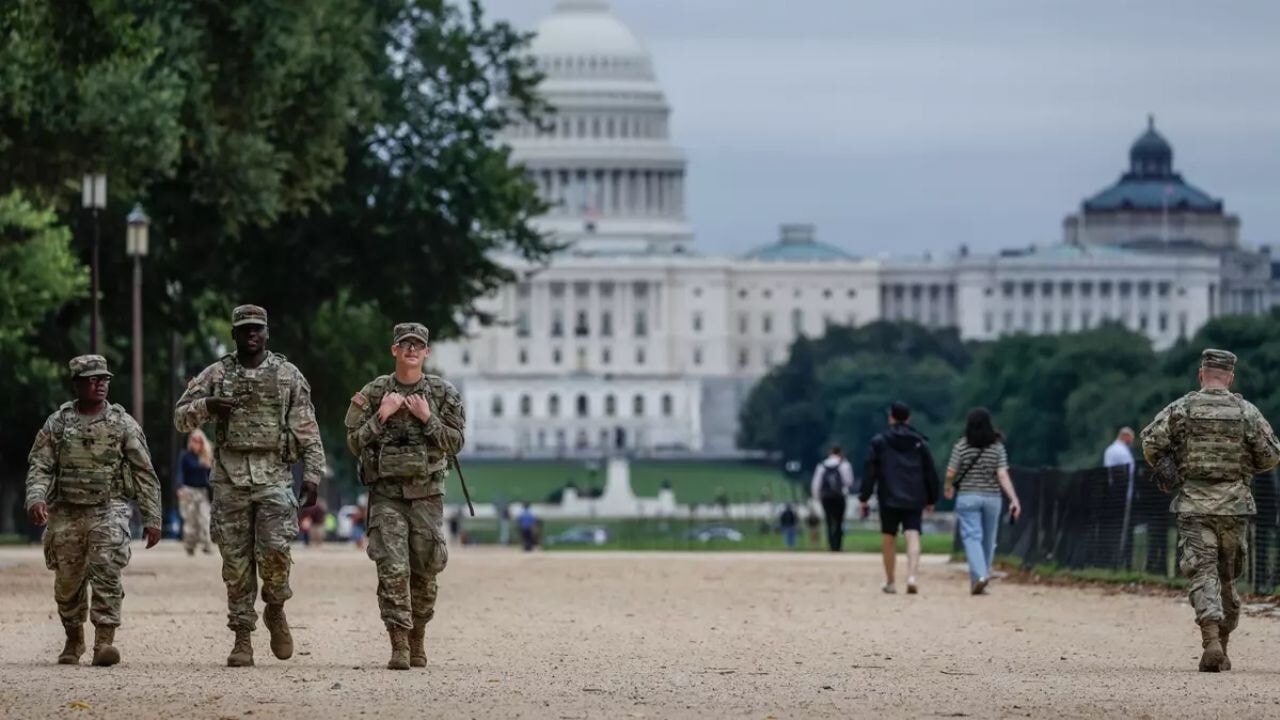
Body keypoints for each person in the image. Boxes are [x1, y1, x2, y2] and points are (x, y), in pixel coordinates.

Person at [174, 304, 326, 667]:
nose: (251, 334)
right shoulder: (217, 373)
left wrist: (313, 474)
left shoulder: (287, 375)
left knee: (275, 553)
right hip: (229, 480)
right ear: (234, 335)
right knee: (236, 563)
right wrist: (208, 405)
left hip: (274, 476)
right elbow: (180, 418)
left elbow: (308, 429)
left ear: (267, 333)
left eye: (257, 328)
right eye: (244, 329)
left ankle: (275, 608)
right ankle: (242, 636)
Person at [1140, 348, 1280, 672]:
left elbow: (1150, 441)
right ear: (1230, 377)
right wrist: (1243, 470)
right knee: (1228, 576)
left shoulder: (1183, 407)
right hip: (1235, 505)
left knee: (1202, 571)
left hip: (1194, 503)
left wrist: (1169, 466)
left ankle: (1212, 640)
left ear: (1201, 374)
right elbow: (1271, 454)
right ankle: (1223, 645)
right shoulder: (1246, 411)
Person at [25, 355, 163, 666]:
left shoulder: (122, 423)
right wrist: (36, 498)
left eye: (104, 379)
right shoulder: (58, 423)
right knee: (68, 581)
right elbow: (40, 465)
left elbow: (144, 472)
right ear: (77, 384)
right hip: (66, 511)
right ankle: (74, 636)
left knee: (108, 570)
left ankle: (104, 641)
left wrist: (152, 517)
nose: (100, 384)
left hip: (108, 508)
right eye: (92, 379)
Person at [345, 322, 465, 670]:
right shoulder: (374, 392)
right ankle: (398, 642)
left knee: (425, 569)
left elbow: (456, 442)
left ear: (426, 352)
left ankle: (418, 638)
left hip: (427, 494)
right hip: (387, 494)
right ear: (394, 351)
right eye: (404, 344)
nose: (411, 350)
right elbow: (354, 442)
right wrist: (381, 415)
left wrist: (427, 418)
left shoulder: (442, 394)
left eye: (418, 345)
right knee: (392, 567)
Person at [861, 402, 939, 594]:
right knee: (913, 535)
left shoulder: (879, 441)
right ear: (909, 418)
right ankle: (912, 576)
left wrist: (865, 495)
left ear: (891, 418)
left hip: (888, 495)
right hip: (914, 495)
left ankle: (891, 581)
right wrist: (931, 498)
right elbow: (930, 471)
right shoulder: (919, 442)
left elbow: (870, 470)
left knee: (889, 537)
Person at [944, 408, 1021, 595]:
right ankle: (980, 578)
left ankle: (980, 576)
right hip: (992, 497)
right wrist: (1014, 499)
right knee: (988, 540)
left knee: (972, 537)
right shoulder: (997, 447)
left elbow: (951, 473)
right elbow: (1002, 474)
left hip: (968, 496)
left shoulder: (961, 446)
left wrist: (948, 487)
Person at [177, 429, 214, 555]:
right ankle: (190, 546)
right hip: (189, 490)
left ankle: (207, 544)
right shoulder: (185, 456)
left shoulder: (206, 456)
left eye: (199, 441)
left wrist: (207, 466)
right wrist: (179, 487)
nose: (196, 443)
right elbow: (180, 473)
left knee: (205, 518)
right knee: (190, 520)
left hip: (203, 491)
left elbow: (212, 478)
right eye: (194, 440)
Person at [811, 446, 854, 552]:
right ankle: (838, 546)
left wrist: (816, 496)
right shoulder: (844, 465)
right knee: (839, 521)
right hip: (839, 496)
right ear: (840, 453)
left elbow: (816, 483)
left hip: (826, 497)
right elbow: (849, 482)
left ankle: (831, 545)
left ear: (830, 452)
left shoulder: (821, 465)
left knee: (829, 521)